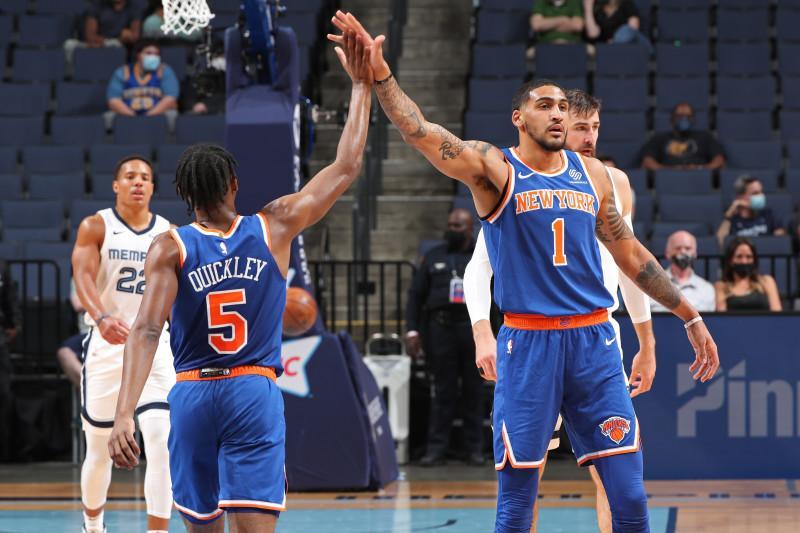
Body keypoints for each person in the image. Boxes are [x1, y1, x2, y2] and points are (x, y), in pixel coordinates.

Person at [330, 12, 719, 532]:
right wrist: (381, 76)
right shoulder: (495, 169)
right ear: (518, 117)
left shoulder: (594, 174)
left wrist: (690, 315)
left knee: (629, 497)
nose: (557, 114)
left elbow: (633, 256)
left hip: (594, 341)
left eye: (562, 107)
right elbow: (420, 131)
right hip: (529, 344)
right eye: (544, 105)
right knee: (515, 506)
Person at [108, 30, 373, 533]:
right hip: (252, 389)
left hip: (192, 393)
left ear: (185, 194)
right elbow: (346, 166)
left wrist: (125, 413)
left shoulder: (170, 246)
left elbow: (145, 331)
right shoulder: (274, 225)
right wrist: (361, 87)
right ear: (234, 184)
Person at [465, 89, 656, 533]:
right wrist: (482, 332)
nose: (589, 137)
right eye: (580, 127)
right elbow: (478, 268)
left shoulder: (612, 181)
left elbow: (631, 267)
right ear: (556, 129)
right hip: (533, 339)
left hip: (596, 337)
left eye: (595, 128)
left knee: (614, 478)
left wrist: (645, 341)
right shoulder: (518, 180)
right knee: (526, 479)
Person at [72, 155, 174, 533]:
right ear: (116, 185)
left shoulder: (168, 233)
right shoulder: (96, 225)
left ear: (153, 188)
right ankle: (93, 525)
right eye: (130, 176)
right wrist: (100, 317)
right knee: (100, 449)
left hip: (154, 347)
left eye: (145, 177)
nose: (138, 182)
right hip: (107, 345)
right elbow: (82, 275)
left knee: (161, 441)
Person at [406, 208, 484, 467]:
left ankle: (474, 449)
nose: (452, 229)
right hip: (441, 330)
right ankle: (436, 449)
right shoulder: (433, 256)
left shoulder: (480, 256)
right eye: (450, 225)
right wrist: (413, 330)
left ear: (470, 228)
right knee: (442, 391)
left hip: (472, 330)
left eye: (457, 226)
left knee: (474, 391)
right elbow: (416, 295)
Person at [106, 40, 180, 120]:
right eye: (148, 53)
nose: (153, 57)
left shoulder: (164, 71)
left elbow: (170, 99)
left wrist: (148, 117)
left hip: (158, 115)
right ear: (138, 55)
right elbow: (113, 100)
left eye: (156, 54)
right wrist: (133, 117)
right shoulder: (123, 71)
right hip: (127, 116)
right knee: (109, 116)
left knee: (172, 114)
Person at [640, 103, 725, 170]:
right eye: (680, 116)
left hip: (699, 177)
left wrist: (700, 168)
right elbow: (647, 161)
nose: (684, 119)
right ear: (672, 119)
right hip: (668, 177)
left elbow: (719, 160)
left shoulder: (705, 137)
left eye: (688, 116)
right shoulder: (659, 138)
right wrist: (669, 170)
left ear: (693, 119)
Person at [650, 231, 715, 313]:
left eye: (688, 248)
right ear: (667, 253)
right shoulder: (651, 285)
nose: (683, 252)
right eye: (678, 248)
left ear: (695, 253)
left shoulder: (707, 289)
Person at [716, 175, 786, 247]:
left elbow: (780, 241)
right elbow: (720, 243)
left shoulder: (768, 214)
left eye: (761, 192)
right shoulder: (732, 220)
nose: (761, 196)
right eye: (755, 193)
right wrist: (728, 217)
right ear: (740, 197)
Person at [64, 0, 143, 64]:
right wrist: (116, 38)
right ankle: (70, 75)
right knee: (69, 44)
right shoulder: (97, 5)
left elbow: (134, 36)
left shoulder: (134, 7)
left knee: (117, 45)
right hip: (91, 44)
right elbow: (90, 36)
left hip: (115, 45)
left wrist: (123, 38)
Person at [715, 237, 782, 312]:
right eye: (739, 257)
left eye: (749, 257)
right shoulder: (721, 286)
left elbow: (777, 313)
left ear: (754, 260)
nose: (744, 261)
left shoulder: (766, 281)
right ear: (730, 260)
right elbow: (722, 316)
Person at [0, 259, 19, 461]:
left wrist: (14, 322)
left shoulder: (2, 267)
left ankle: (4, 450)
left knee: (3, 392)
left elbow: (9, 298)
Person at [56, 282, 91, 388]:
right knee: (64, 352)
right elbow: (78, 305)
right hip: (87, 332)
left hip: (115, 331)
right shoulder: (79, 276)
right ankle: (90, 387)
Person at [582, 0, 649, 48]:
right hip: (606, 51)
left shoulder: (626, 3)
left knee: (626, 30)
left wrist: (615, 41)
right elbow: (592, 34)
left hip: (629, 46)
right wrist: (588, 7)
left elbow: (633, 28)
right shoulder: (598, 9)